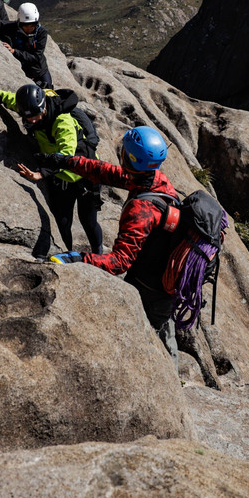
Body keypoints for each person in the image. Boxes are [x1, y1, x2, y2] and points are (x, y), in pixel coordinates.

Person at [39, 126, 181, 365]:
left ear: (130, 158)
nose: (121, 153)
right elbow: (108, 173)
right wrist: (67, 161)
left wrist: (77, 259)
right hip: (164, 280)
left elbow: (120, 262)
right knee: (166, 334)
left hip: (150, 290)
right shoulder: (154, 179)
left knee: (150, 352)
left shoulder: (141, 209)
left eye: (125, 151)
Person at [0, 84, 103, 254]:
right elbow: (6, 97)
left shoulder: (61, 121)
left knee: (89, 221)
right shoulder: (30, 107)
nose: (33, 121)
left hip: (85, 174)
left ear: (43, 106)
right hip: (62, 179)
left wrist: (41, 174)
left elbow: (67, 155)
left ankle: (99, 255)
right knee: (63, 222)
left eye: (36, 117)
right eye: (28, 118)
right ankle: (68, 254)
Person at [0, 3, 51, 87]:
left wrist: (14, 51)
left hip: (39, 71)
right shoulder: (13, 27)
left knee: (48, 91)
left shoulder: (41, 32)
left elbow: (36, 56)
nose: (29, 28)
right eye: (26, 25)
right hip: (23, 71)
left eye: (32, 25)